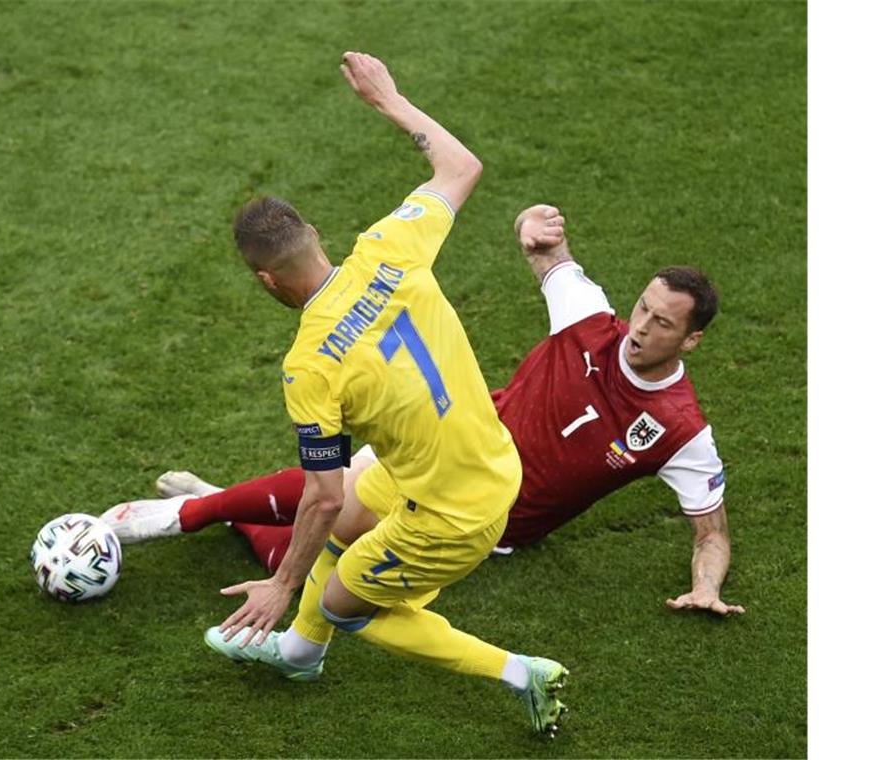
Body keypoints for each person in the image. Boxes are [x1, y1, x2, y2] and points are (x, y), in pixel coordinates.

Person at [149, 51, 568, 737]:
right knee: (344, 530)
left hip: (455, 517)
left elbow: (319, 491)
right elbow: (461, 167)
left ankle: (522, 672)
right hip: (489, 462)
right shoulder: (388, 246)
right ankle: (302, 654)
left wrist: (282, 586)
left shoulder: (311, 364)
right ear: (313, 233)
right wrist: (388, 99)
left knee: (350, 603)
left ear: (266, 282)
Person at [104, 205, 744, 618]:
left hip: (482, 516)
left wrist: (707, 586)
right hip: (443, 443)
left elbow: (710, 533)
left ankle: (228, 520)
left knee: (328, 571)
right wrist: (535, 231)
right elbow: (548, 254)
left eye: (662, 324)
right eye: (642, 309)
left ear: (691, 340)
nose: (640, 328)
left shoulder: (683, 431)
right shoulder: (589, 320)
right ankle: (187, 514)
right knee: (332, 505)